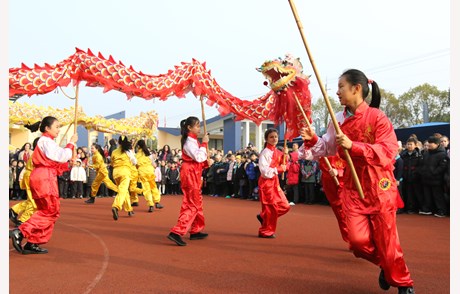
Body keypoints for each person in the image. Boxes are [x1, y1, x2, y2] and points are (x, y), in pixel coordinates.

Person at [299, 69, 414, 293]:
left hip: (379, 186)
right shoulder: (337, 119)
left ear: (356, 88)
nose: (337, 92)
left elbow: (388, 151)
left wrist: (354, 146)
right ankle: (386, 265)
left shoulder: (377, 117)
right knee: (357, 242)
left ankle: (403, 282)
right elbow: (327, 148)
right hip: (353, 187)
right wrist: (313, 139)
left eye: (341, 86)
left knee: (388, 240)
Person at [10, 116, 78, 254]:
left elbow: (56, 160)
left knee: (45, 210)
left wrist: (67, 160)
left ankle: (33, 242)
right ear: (47, 128)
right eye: (57, 126)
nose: (59, 130)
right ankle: (21, 231)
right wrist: (71, 143)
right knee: (51, 211)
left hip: (43, 176)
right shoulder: (46, 141)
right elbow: (61, 156)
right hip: (45, 178)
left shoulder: (46, 142)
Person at [167, 116, 209, 246]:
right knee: (192, 203)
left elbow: (200, 159)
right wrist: (205, 143)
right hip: (190, 173)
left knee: (197, 201)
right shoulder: (190, 142)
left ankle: (196, 229)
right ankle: (177, 231)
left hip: (194, 173)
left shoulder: (192, 141)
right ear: (189, 128)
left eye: (199, 125)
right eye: (197, 125)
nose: (199, 128)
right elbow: (198, 156)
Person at [256, 128, 290, 238]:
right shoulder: (265, 153)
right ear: (266, 139)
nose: (274, 138)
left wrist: (286, 156)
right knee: (271, 208)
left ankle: (264, 216)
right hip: (266, 184)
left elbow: (285, 165)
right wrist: (279, 169)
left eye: (275, 136)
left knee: (285, 206)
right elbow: (265, 172)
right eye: (271, 137)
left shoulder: (277, 152)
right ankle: (266, 231)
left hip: (275, 183)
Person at [9, 137, 40, 227]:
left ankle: (14, 210)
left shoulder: (37, 153)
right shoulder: (38, 154)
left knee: (31, 200)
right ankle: (23, 220)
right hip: (32, 177)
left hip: (31, 176)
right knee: (34, 201)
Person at [419, 136, 449, 217]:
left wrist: (434, 172)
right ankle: (427, 209)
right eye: (428, 143)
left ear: (437, 144)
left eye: (431, 143)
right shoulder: (426, 153)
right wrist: (423, 172)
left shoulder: (442, 154)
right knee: (427, 196)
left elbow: (442, 166)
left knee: (438, 196)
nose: (429, 145)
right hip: (426, 179)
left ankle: (441, 211)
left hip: (436, 180)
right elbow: (422, 164)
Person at [111, 136, 136, 220]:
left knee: (123, 191)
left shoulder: (114, 151)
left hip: (116, 173)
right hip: (125, 172)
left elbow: (112, 162)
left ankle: (129, 209)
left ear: (118, 142)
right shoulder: (128, 151)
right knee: (123, 191)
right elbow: (135, 162)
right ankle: (116, 206)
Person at [135, 139, 164, 212]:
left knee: (146, 189)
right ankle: (157, 202)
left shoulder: (136, 155)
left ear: (138, 146)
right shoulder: (148, 154)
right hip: (150, 172)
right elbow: (154, 165)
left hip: (142, 173)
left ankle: (151, 205)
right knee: (153, 187)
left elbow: (135, 165)